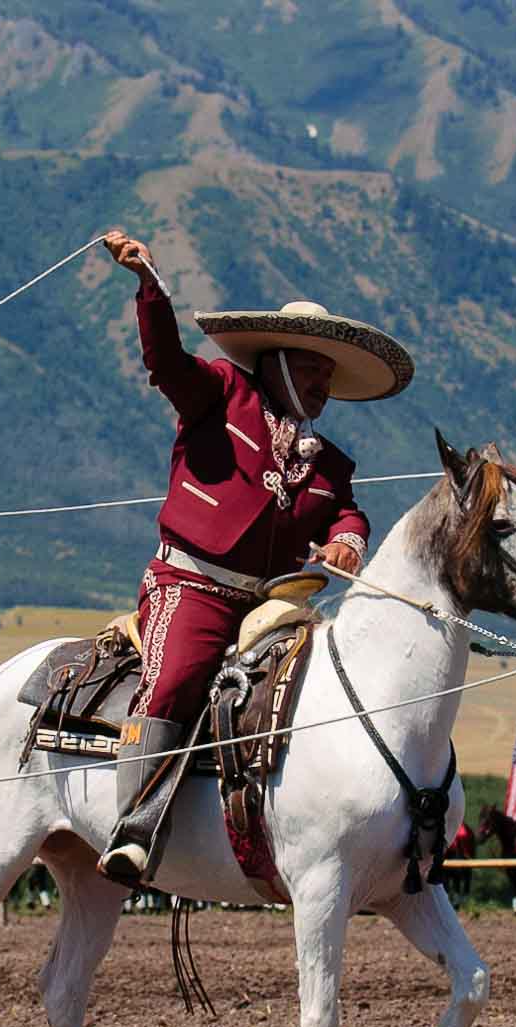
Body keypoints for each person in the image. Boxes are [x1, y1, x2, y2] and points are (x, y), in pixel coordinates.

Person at [95, 229, 414, 887]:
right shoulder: (217, 394)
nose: (323, 384)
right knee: (178, 678)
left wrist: (348, 540)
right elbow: (164, 360)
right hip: (192, 583)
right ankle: (134, 829)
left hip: (275, 601)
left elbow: (349, 511)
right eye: (311, 370)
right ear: (273, 362)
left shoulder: (331, 464)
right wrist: (150, 287)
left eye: (329, 375)